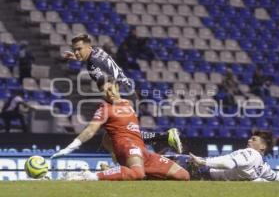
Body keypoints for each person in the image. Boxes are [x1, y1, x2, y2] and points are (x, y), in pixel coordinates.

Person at [50, 77, 190, 181]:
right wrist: (71, 146)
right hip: (127, 147)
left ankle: (115, 173)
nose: (109, 93)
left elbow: (120, 133)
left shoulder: (128, 104)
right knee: (138, 174)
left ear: (117, 86)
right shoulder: (104, 108)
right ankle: (89, 176)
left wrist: (161, 136)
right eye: (104, 91)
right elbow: (91, 130)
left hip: (143, 151)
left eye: (111, 89)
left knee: (183, 175)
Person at [62, 33, 182, 153]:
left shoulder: (93, 65)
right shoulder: (97, 51)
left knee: (125, 135)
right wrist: (75, 56)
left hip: (122, 95)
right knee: (109, 140)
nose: (77, 52)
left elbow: (107, 83)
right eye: (75, 50)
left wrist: (111, 101)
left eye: (79, 49)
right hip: (129, 91)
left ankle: (165, 137)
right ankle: (134, 160)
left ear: (88, 47)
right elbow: (96, 60)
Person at [188, 130, 279, 181]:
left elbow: (228, 165)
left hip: (202, 168)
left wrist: (202, 162)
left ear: (263, 146)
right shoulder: (264, 167)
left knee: (174, 160)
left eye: (253, 139)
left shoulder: (251, 153)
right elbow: (276, 178)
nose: (249, 140)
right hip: (207, 177)